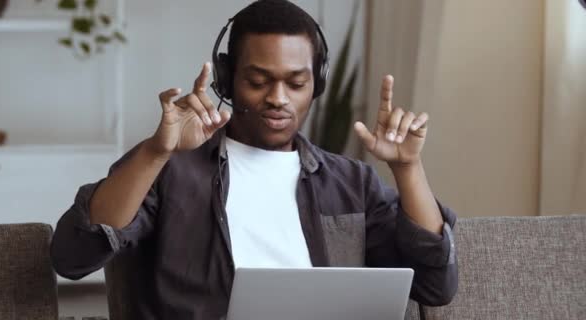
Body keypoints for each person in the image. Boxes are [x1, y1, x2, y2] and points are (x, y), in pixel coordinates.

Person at [51, 0, 458, 319]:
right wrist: (155, 152)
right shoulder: (171, 170)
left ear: (318, 82)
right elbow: (73, 256)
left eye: (296, 83)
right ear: (227, 80)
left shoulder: (352, 183)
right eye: (258, 81)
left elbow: (437, 286)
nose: (278, 98)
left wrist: (407, 169)